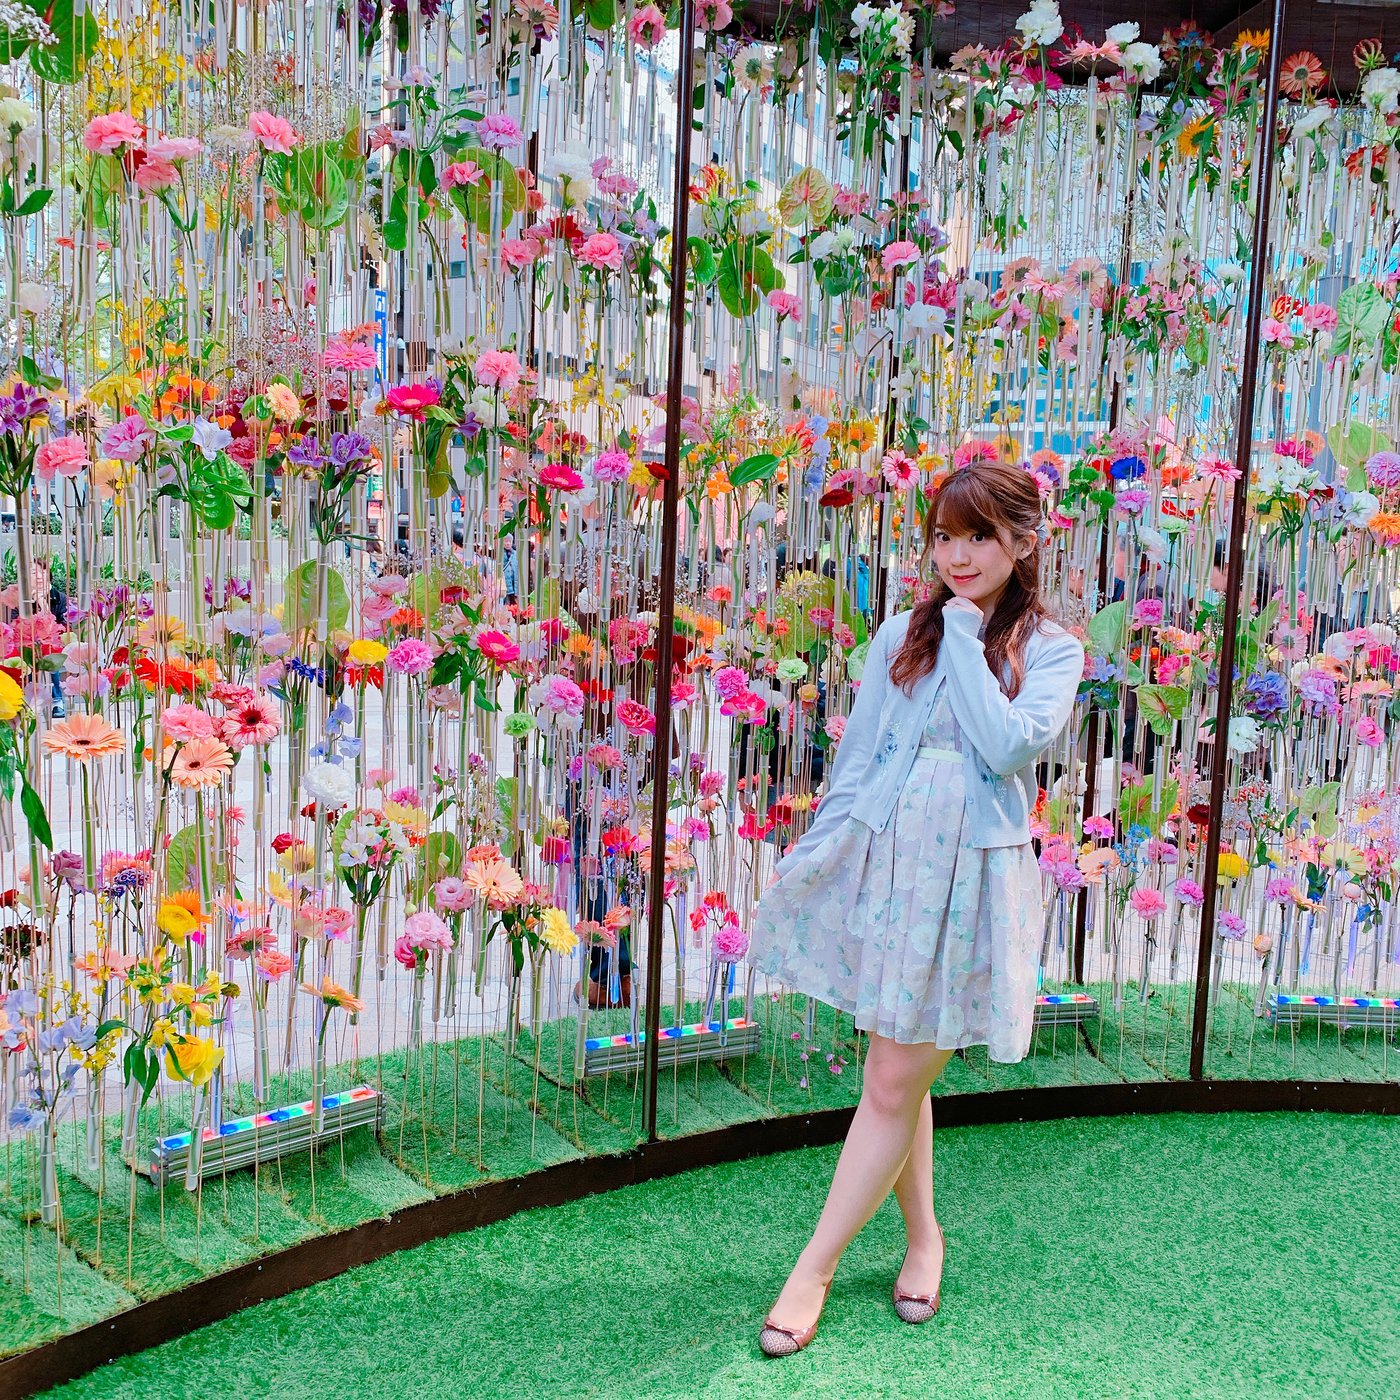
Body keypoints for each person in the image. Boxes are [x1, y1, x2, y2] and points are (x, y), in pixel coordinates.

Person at [745, 462, 1084, 1357]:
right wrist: (820, 850)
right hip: (895, 862)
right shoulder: (903, 632)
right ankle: (925, 1239)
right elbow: (861, 756)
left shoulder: (1051, 649)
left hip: (974, 876)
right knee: (897, 1070)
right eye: (943, 536)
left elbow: (1005, 746)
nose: (957, 555)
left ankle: (814, 1268)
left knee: (894, 1079)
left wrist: (966, 636)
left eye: (978, 536)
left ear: (1023, 542)